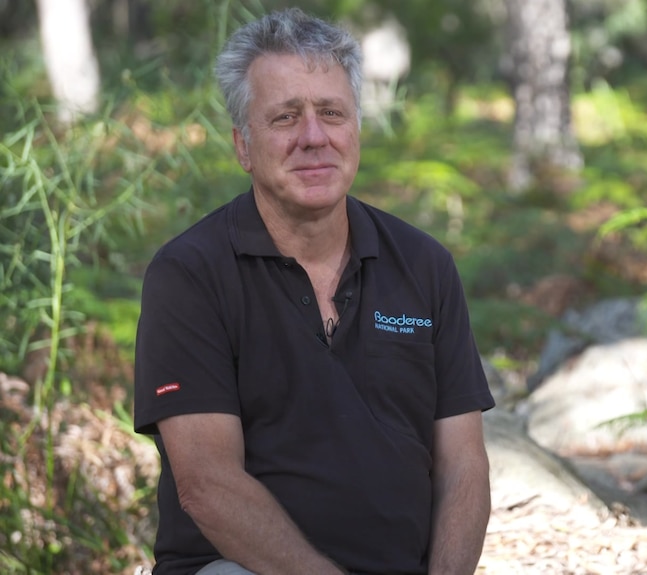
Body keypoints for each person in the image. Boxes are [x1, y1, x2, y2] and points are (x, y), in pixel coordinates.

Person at [133, 7, 495, 575]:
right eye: (284, 118)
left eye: (332, 113)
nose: (313, 137)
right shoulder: (189, 274)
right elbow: (207, 484)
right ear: (243, 146)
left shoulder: (425, 266)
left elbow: (464, 465)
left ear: (356, 130)